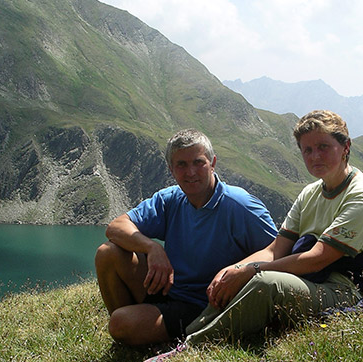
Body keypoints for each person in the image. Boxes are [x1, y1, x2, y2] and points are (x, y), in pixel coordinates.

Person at [140, 110, 363, 362]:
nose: (315, 156)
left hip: (349, 289)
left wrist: (252, 269)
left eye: (323, 147)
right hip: (317, 282)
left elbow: (318, 259)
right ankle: (190, 335)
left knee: (266, 282)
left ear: (345, 147)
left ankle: (190, 349)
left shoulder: (362, 195)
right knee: (237, 275)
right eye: (307, 150)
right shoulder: (311, 193)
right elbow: (276, 248)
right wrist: (235, 270)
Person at [95, 128, 278, 347]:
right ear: (171, 169)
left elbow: (277, 251)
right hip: (168, 288)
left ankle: (139, 330)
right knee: (108, 253)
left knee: (120, 323)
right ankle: (135, 334)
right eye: (181, 164)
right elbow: (115, 227)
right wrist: (152, 248)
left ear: (213, 163)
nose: (190, 172)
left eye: (198, 162)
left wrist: (239, 270)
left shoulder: (240, 206)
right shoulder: (170, 199)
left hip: (206, 305)